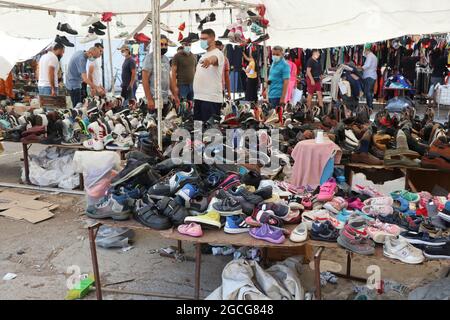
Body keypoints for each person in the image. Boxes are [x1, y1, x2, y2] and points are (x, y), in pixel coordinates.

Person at [192, 30, 225, 122]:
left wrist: (209, 61)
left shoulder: (218, 53)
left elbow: (214, 59)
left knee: (210, 131)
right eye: (201, 39)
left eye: (204, 39)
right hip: (199, 97)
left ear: (213, 38)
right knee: (197, 130)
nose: (202, 41)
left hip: (210, 99)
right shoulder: (204, 55)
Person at [142, 35, 179, 114]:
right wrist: (149, 99)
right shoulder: (149, 58)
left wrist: (175, 95)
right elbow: (145, 80)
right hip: (154, 99)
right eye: (161, 44)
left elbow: (168, 78)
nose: (164, 47)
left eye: (166, 45)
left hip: (165, 99)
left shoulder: (166, 59)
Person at [361, 43, 378, 110]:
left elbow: (367, 65)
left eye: (364, 50)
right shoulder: (374, 56)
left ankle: (369, 107)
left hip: (369, 76)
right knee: (370, 92)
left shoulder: (369, 56)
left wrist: (361, 68)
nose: (364, 52)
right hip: (372, 76)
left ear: (367, 49)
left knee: (368, 92)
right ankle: (370, 106)